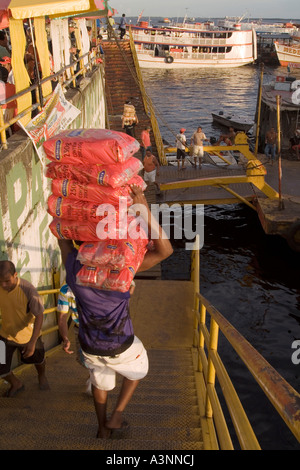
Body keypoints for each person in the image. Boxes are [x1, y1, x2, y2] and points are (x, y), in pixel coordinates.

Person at [57, 184, 173, 439]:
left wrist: (67, 207)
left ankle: (101, 428)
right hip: (120, 344)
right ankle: (117, 415)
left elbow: (63, 238)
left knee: (101, 383)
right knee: (138, 369)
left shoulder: (75, 272)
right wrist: (142, 208)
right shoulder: (125, 268)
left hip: (88, 344)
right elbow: (166, 250)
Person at [0, 260, 49, 397]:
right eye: (0, 282)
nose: (3, 285)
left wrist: (32, 342)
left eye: (7, 281)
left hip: (28, 336)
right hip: (5, 335)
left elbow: (39, 315)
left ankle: (42, 376)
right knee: (0, 364)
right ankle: (16, 383)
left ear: (15, 275)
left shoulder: (28, 290)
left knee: (37, 359)